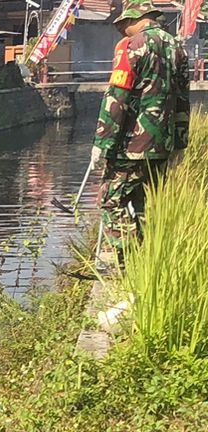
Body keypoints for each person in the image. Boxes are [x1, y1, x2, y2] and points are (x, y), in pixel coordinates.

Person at [91, 0, 189, 253]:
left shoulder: (132, 46)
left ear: (137, 19)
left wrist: (102, 142)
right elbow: (182, 101)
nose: (123, 31)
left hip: (132, 144)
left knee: (111, 199)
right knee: (146, 201)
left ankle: (127, 256)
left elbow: (117, 97)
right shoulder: (177, 47)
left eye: (124, 25)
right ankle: (147, 256)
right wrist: (180, 142)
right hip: (162, 145)